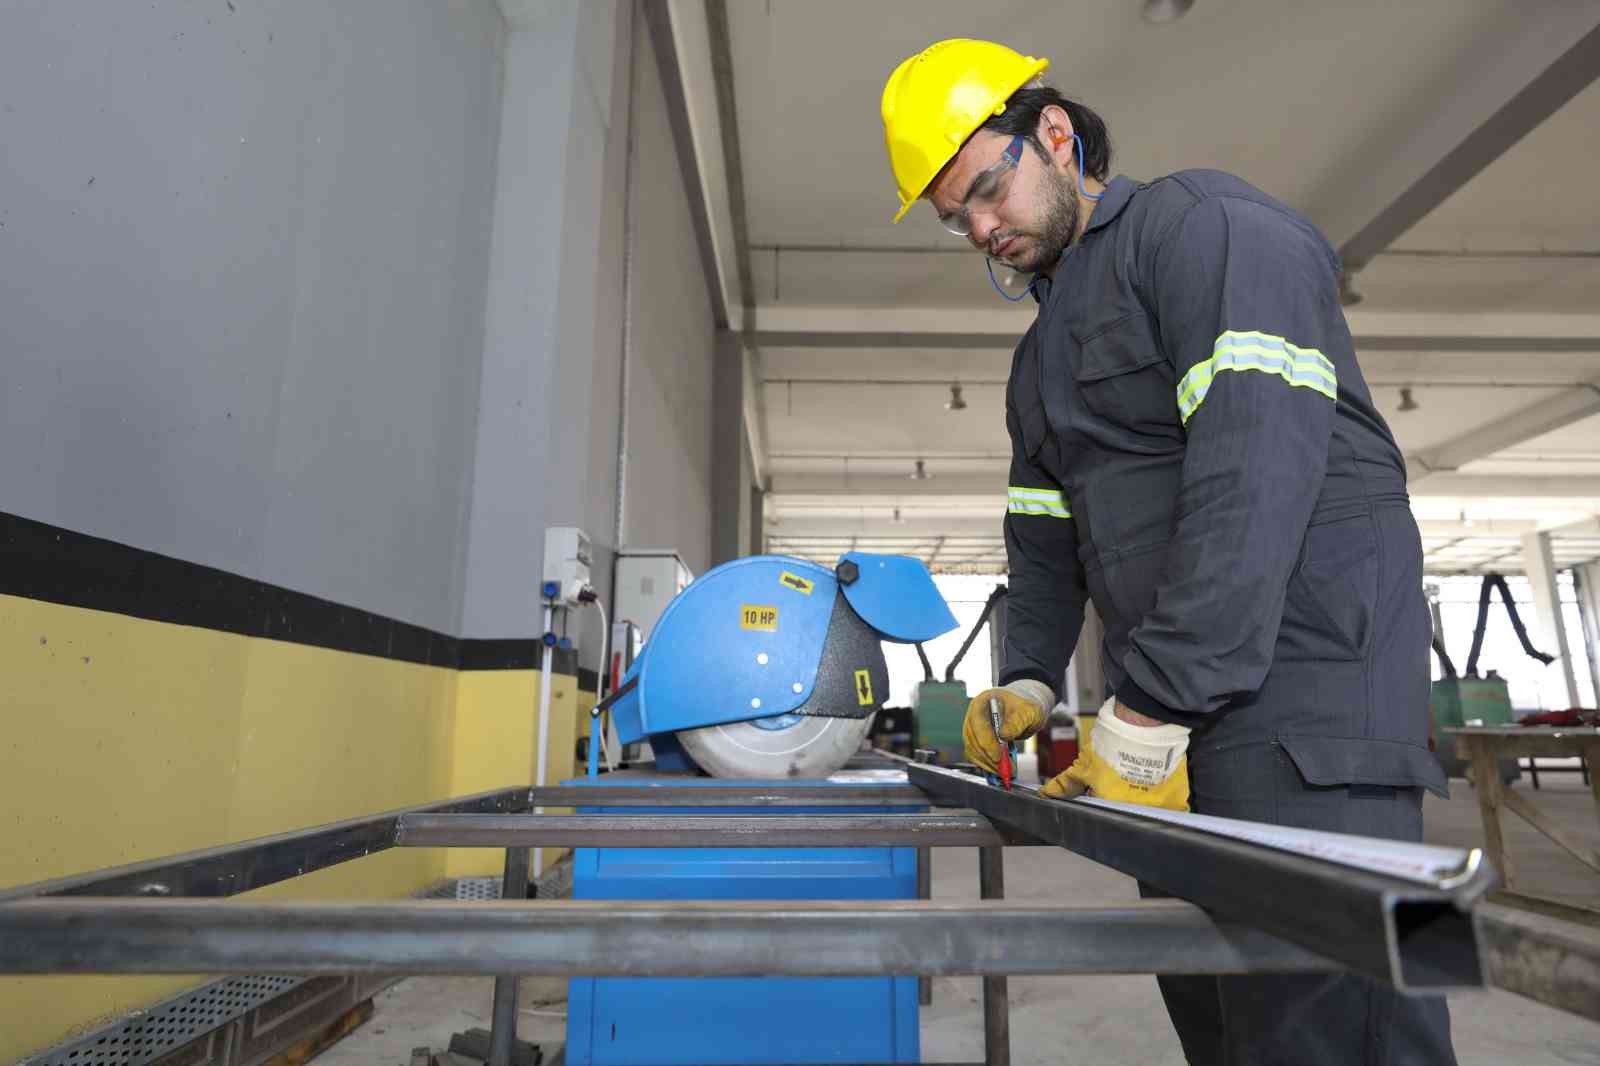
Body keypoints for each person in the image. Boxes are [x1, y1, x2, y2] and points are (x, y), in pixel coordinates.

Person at [880, 38, 1456, 1066]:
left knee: (1342, 1023)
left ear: (1052, 135)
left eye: (984, 190)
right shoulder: (1039, 357)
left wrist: (1148, 708)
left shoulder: (1210, 231)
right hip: (1177, 717)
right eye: (955, 219)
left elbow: (1253, 470)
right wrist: (1026, 674)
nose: (978, 229)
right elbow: (1045, 538)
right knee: (1221, 1012)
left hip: (1307, 704)